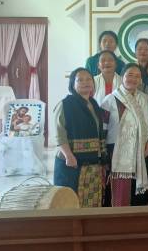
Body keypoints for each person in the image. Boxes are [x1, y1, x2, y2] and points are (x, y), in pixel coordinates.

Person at [101, 63, 148, 207]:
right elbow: (102, 130)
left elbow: (147, 125)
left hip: (140, 148)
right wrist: (104, 155)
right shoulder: (109, 100)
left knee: (136, 191)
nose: (133, 79)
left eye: (137, 76)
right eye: (130, 75)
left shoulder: (144, 98)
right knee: (119, 188)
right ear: (122, 77)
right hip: (116, 150)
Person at [53, 68, 106, 207]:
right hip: (71, 162)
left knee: (90, 200)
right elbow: (59, 133)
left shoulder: (93, 104)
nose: (85, 82)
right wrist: (68, 155)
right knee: (70, 200)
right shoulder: (65, 104)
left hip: (91, 162)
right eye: (80, 80)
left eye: (89, 79)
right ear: (72, 84)